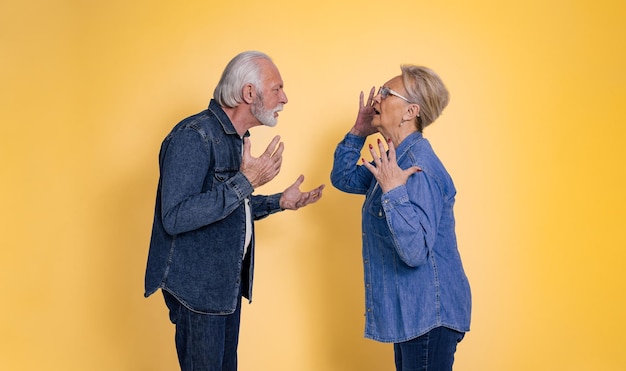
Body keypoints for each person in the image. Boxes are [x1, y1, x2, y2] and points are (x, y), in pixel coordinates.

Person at [144, 50, 325, 371]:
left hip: (223, 288)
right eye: (277, 89)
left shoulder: (236, 140)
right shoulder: (194, 136)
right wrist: (245, 181)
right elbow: (175, 217)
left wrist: (278, 201)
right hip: (198, 293)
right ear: (249, 93)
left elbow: (226, 208)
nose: (285, 98)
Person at [330, 65, 471, 371]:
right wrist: (358, 133)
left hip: (430, 315)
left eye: (386, 93)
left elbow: (415, 252)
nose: (376, 99)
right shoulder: (395, 161)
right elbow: (343, 178)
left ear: (410, 111)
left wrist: (394, 191)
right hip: (413, 312)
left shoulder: (419, 167)